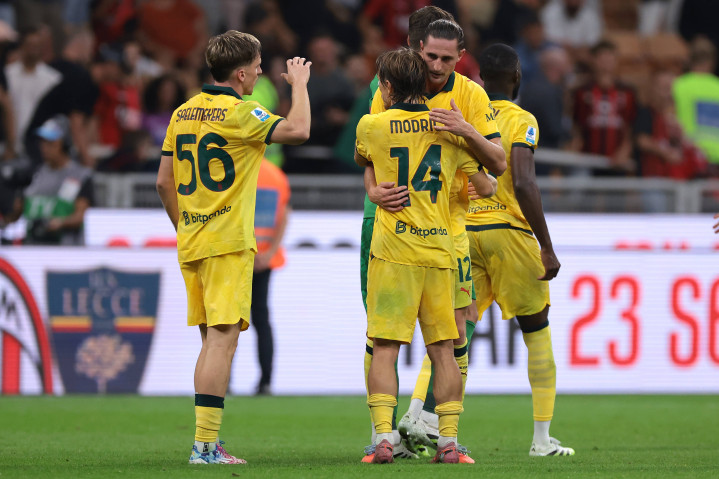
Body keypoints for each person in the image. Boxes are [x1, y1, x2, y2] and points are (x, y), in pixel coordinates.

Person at [155, 30, 311, 465]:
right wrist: (299, 85)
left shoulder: (183, 112)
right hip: (227, 244)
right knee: (222, 343)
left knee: (211, 342)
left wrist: (186, 227)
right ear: (240, 73)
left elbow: (164, 183)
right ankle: (204, 446)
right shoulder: (242, 113)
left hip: (194, 242)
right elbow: (299, 130)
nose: (260, 74)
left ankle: (207, 442)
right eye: (257, 67)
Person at [366, 17, 505, 461]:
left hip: (400, 246)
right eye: (431, 57)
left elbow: (367, 154)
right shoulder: (446, 133)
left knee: (384, 343)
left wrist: (466, 129)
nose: (439, 65)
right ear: (417, 51)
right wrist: (461, 143)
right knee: (446, 345)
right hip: (441, 244)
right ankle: (446, 438)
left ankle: (385, 435)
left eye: (448, 58)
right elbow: (491, 181)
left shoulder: (464, 97)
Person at [468, 43, 573, 456]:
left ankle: (421, 419)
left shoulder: (466, 116)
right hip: (508, 233)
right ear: (516, 77)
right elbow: (525, 182)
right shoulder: (521, 119)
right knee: (536, 331)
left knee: (451, 335)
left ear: (480, 78)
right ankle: (541, 440)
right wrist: (546, 246)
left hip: (464, 232)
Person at [6, 116, 93, 245]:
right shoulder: (35, 174)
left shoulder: (80, 175)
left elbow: (81, 215)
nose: (44, 147)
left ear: (64, 144)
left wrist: (60, 223)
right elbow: (17, 213)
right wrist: (14, 210)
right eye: (43, 142)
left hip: (66, 248)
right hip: (33, 246)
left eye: (51, 143)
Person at [251, 157, 291, 396]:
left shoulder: (235, 168)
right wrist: (269, 253)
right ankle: (265, 382)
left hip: (237, 258)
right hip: (264, 259)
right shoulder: (276, 175)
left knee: (227, 322)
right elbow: (284, 215)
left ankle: (223, 383)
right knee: (262, 320)